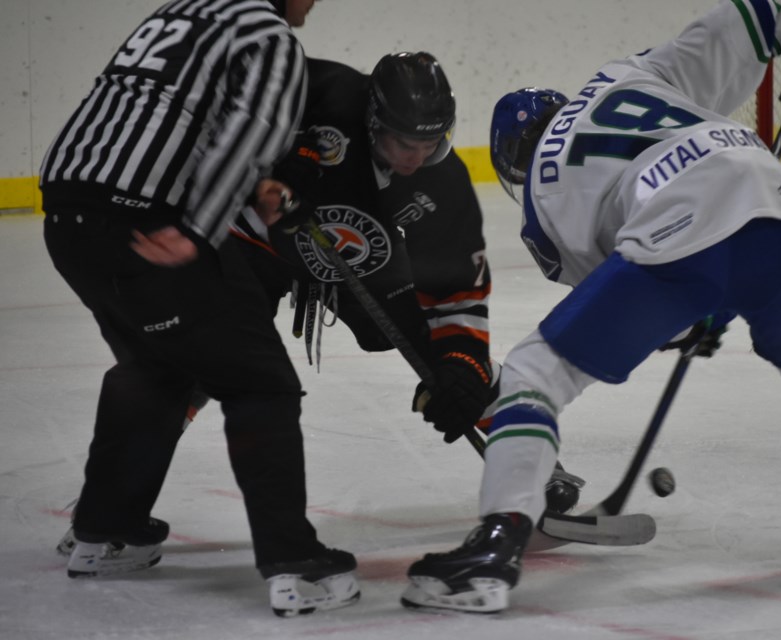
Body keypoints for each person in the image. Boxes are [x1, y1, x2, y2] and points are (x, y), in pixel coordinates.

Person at [400, 0, 781, 614]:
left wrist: (697, 308)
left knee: (534, 375)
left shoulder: (540, 207)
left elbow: (635, 297)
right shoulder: (625, 76)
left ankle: (494, 547)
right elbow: (761, 12)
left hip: (681, 236)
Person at [53, 52, 585, 557]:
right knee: (191, 363)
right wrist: (279, 163)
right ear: (373, 122)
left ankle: (533, 467)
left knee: (448, 362)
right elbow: (220, 114)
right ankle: (111, 504)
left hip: (362, 260)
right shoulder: (317, 103)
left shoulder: (439, 180)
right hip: (251, 248)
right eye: (404, 142)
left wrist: (463, 362)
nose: (418, 158)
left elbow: (456, 288)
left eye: (433, 142)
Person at [40, 0, 359, 618]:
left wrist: (250, 186)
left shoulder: (181, 12)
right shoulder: (266, 31)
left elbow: (155, 115)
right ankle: (296, 564)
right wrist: (197, 228)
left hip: (68, 219)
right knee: (260, 382)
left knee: (155, 366)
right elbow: (252, 129)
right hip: (146, 226)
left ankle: (107, 530)